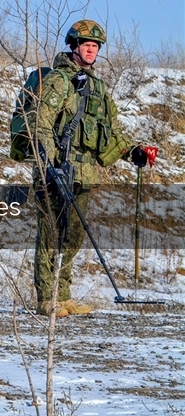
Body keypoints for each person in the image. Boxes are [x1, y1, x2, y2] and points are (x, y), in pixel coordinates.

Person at [25, 19, 155, 317]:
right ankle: (46, 298)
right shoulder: (59, 80)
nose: (91, 50)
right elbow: (40, 122)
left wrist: (132, 152)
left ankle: (64, 295)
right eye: (86, 45)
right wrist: (48, 163)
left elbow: (108, 133)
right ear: (74, 46)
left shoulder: (97, 88)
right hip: (55, 170)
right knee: (50, 234)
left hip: (84, 173)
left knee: (72, 236)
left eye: (95, 46)